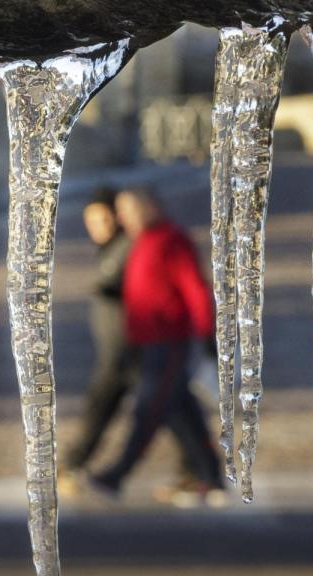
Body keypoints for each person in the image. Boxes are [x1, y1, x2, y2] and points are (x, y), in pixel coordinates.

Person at [90, 188, 224, 505]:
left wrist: (208, 336)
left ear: (150, 207)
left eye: (128, 210)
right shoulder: (141, 242)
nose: (122, 218)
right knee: (180, 412)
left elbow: (196, 289)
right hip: (146, 343)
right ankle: (208, 475)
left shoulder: (171, 240)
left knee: (149, 411)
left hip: (168, 343)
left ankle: (118, 473)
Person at [61, 187, 135, 483]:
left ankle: (74, 463)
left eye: (103, 219)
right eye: (91, 221)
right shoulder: (111, 250)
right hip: (118, 348)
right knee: (171, 410)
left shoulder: (126, 248)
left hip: (128, 348)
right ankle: (198, 467)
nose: (97, 228)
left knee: (100, 407)